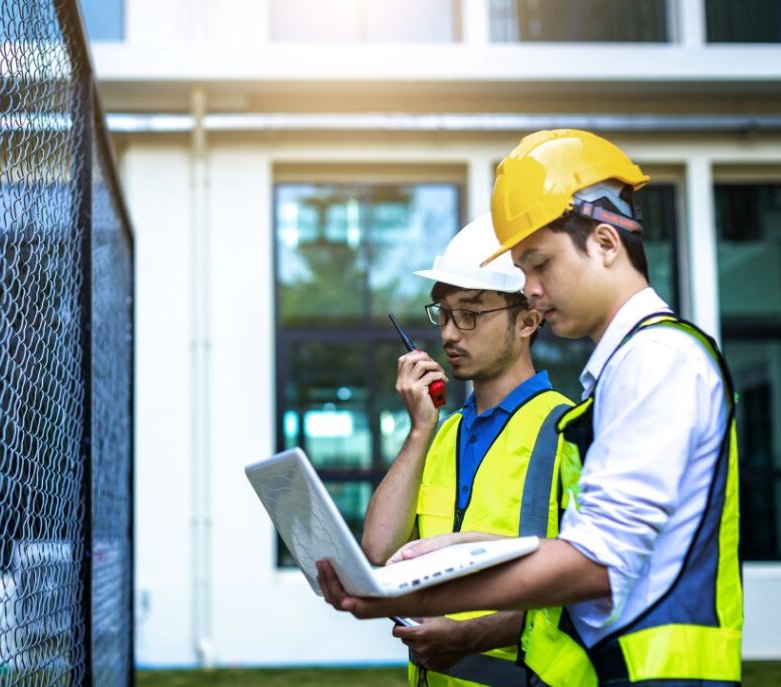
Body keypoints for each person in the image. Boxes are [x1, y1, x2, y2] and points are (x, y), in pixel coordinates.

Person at [317, 129, 742, 687]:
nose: (533, 289)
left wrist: (405, 592)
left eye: (539, 264)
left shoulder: (656, 360)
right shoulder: (627, 370)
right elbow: (601, 544)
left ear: (607, 243)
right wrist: (473, 548)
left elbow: (597, 563)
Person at [362, 214, 573, 687]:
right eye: (444, 314)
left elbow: (579, 592)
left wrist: (467, 636)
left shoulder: (568, 430)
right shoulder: (440, 434)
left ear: (527, 321)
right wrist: (420, 430)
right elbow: (378, 548)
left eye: (470, 314)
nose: (450, 334)